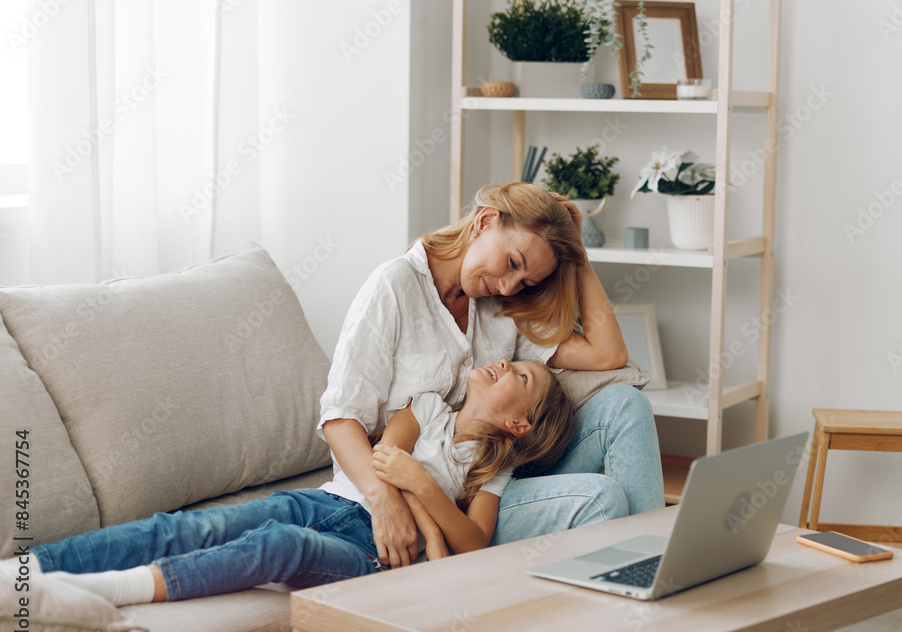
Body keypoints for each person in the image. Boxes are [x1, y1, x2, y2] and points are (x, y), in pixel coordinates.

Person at [11, 358, 573, 605]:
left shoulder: (495, 469)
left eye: (521, 375)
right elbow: (383, 461)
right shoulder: (426, 406)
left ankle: (107, 591)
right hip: (325, 501)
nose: (505, 364)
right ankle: (27, 572)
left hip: (372, 553)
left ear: (518, 422)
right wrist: (426, 515)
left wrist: (421, 487)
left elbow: (473, 545)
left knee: (281, 548)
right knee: (190, 527)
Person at [320, 182, 665, 570]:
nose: (507, 286)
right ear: (485, 221)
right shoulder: (395, 285)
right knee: (600, 497)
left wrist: (577, 254)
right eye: (513, 263)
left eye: (525, 282)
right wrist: (385, 503)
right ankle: (641, 573)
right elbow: (339, 417)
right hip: (424, 501)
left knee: (625, 404)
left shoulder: (501, 305)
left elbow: (608, 355)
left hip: (486, 485)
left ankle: (648, 571)